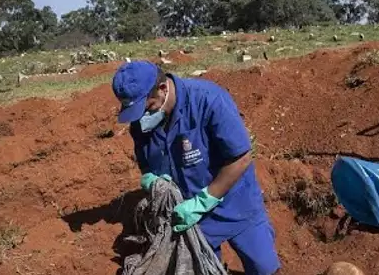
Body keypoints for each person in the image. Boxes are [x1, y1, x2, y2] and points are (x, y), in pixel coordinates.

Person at [112, 60, 281, 275]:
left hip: (235, 203)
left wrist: (204, 201)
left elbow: (241, 157)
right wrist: (151, 179)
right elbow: (147, 164)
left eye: (149, 106)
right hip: (190, 216)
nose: (143, 116)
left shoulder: (208, 99)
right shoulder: (142, 122)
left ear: (163, 89)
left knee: (263, 267)